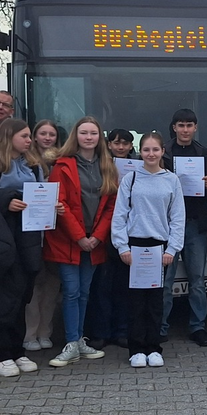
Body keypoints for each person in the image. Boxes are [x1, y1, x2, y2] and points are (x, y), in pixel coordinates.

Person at [0, 119, 45, 377]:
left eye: (29, 136)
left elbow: (40, 194)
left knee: (21, 293)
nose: (29, 140)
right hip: (0, 237)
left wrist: (51, 207)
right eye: (24, 136)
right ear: (9, 136)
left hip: (28, 237)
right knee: (0, 294)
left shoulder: (34, 166)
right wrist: (5, 202)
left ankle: (16, 349)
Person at [44, 116, 118, 367]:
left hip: (94, 241)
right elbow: (60, 203)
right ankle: (71, 342)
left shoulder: (107, 166)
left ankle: (79, 341)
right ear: (76, 135)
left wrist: (97, 237)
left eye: (93, 133)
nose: (88, 137)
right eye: (84, 133)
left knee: (84, 292)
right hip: (68, 240)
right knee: (71, 291)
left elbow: (111, 205)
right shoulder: (62, 165)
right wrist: (79, 237)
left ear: (100, 137)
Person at [112, 132, 185, 367]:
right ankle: (136, 349)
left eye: (155, 149)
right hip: (134, 246)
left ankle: (154, 348)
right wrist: (122, 246)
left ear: (163, 151)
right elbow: (120, 215)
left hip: (159, 248)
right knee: (135, 301)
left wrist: (172, 249)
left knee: (156, 301)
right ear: (140, 152)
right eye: (146, 150)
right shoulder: (130, 179)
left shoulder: (171, 180)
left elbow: (178, 217)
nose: (151, 154)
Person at [160, 109, 207, 347]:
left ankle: (197, 327)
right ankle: (161, 327)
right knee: (165, 280)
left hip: (194, 223)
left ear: (195, 128)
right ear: (174, 127)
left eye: (189, 125)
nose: (185, 129)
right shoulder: (163, 153)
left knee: (197, 280)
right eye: (181, 125)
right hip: (168, 225)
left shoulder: (205, 154)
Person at [85, 128, 137, 350]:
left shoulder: (139, 167)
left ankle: (122, 331)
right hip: (102, 232)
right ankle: (101, 332)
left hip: (130, 231)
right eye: (117, 143)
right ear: (108, 144)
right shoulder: (99, 165)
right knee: (102, 286)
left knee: (125, 286)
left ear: (131, 146)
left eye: (125, 143)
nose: (121, 147)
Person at [23, 119, 63, 352]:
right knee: (35, 284)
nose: (47, 138)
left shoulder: (62, 161)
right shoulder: (24, 161)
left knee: (52, 284)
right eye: (43, 133)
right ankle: (30, 333)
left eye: (52, 134)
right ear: (35, 136)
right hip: (33, 230)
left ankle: (45, 332)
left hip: (57, 230)